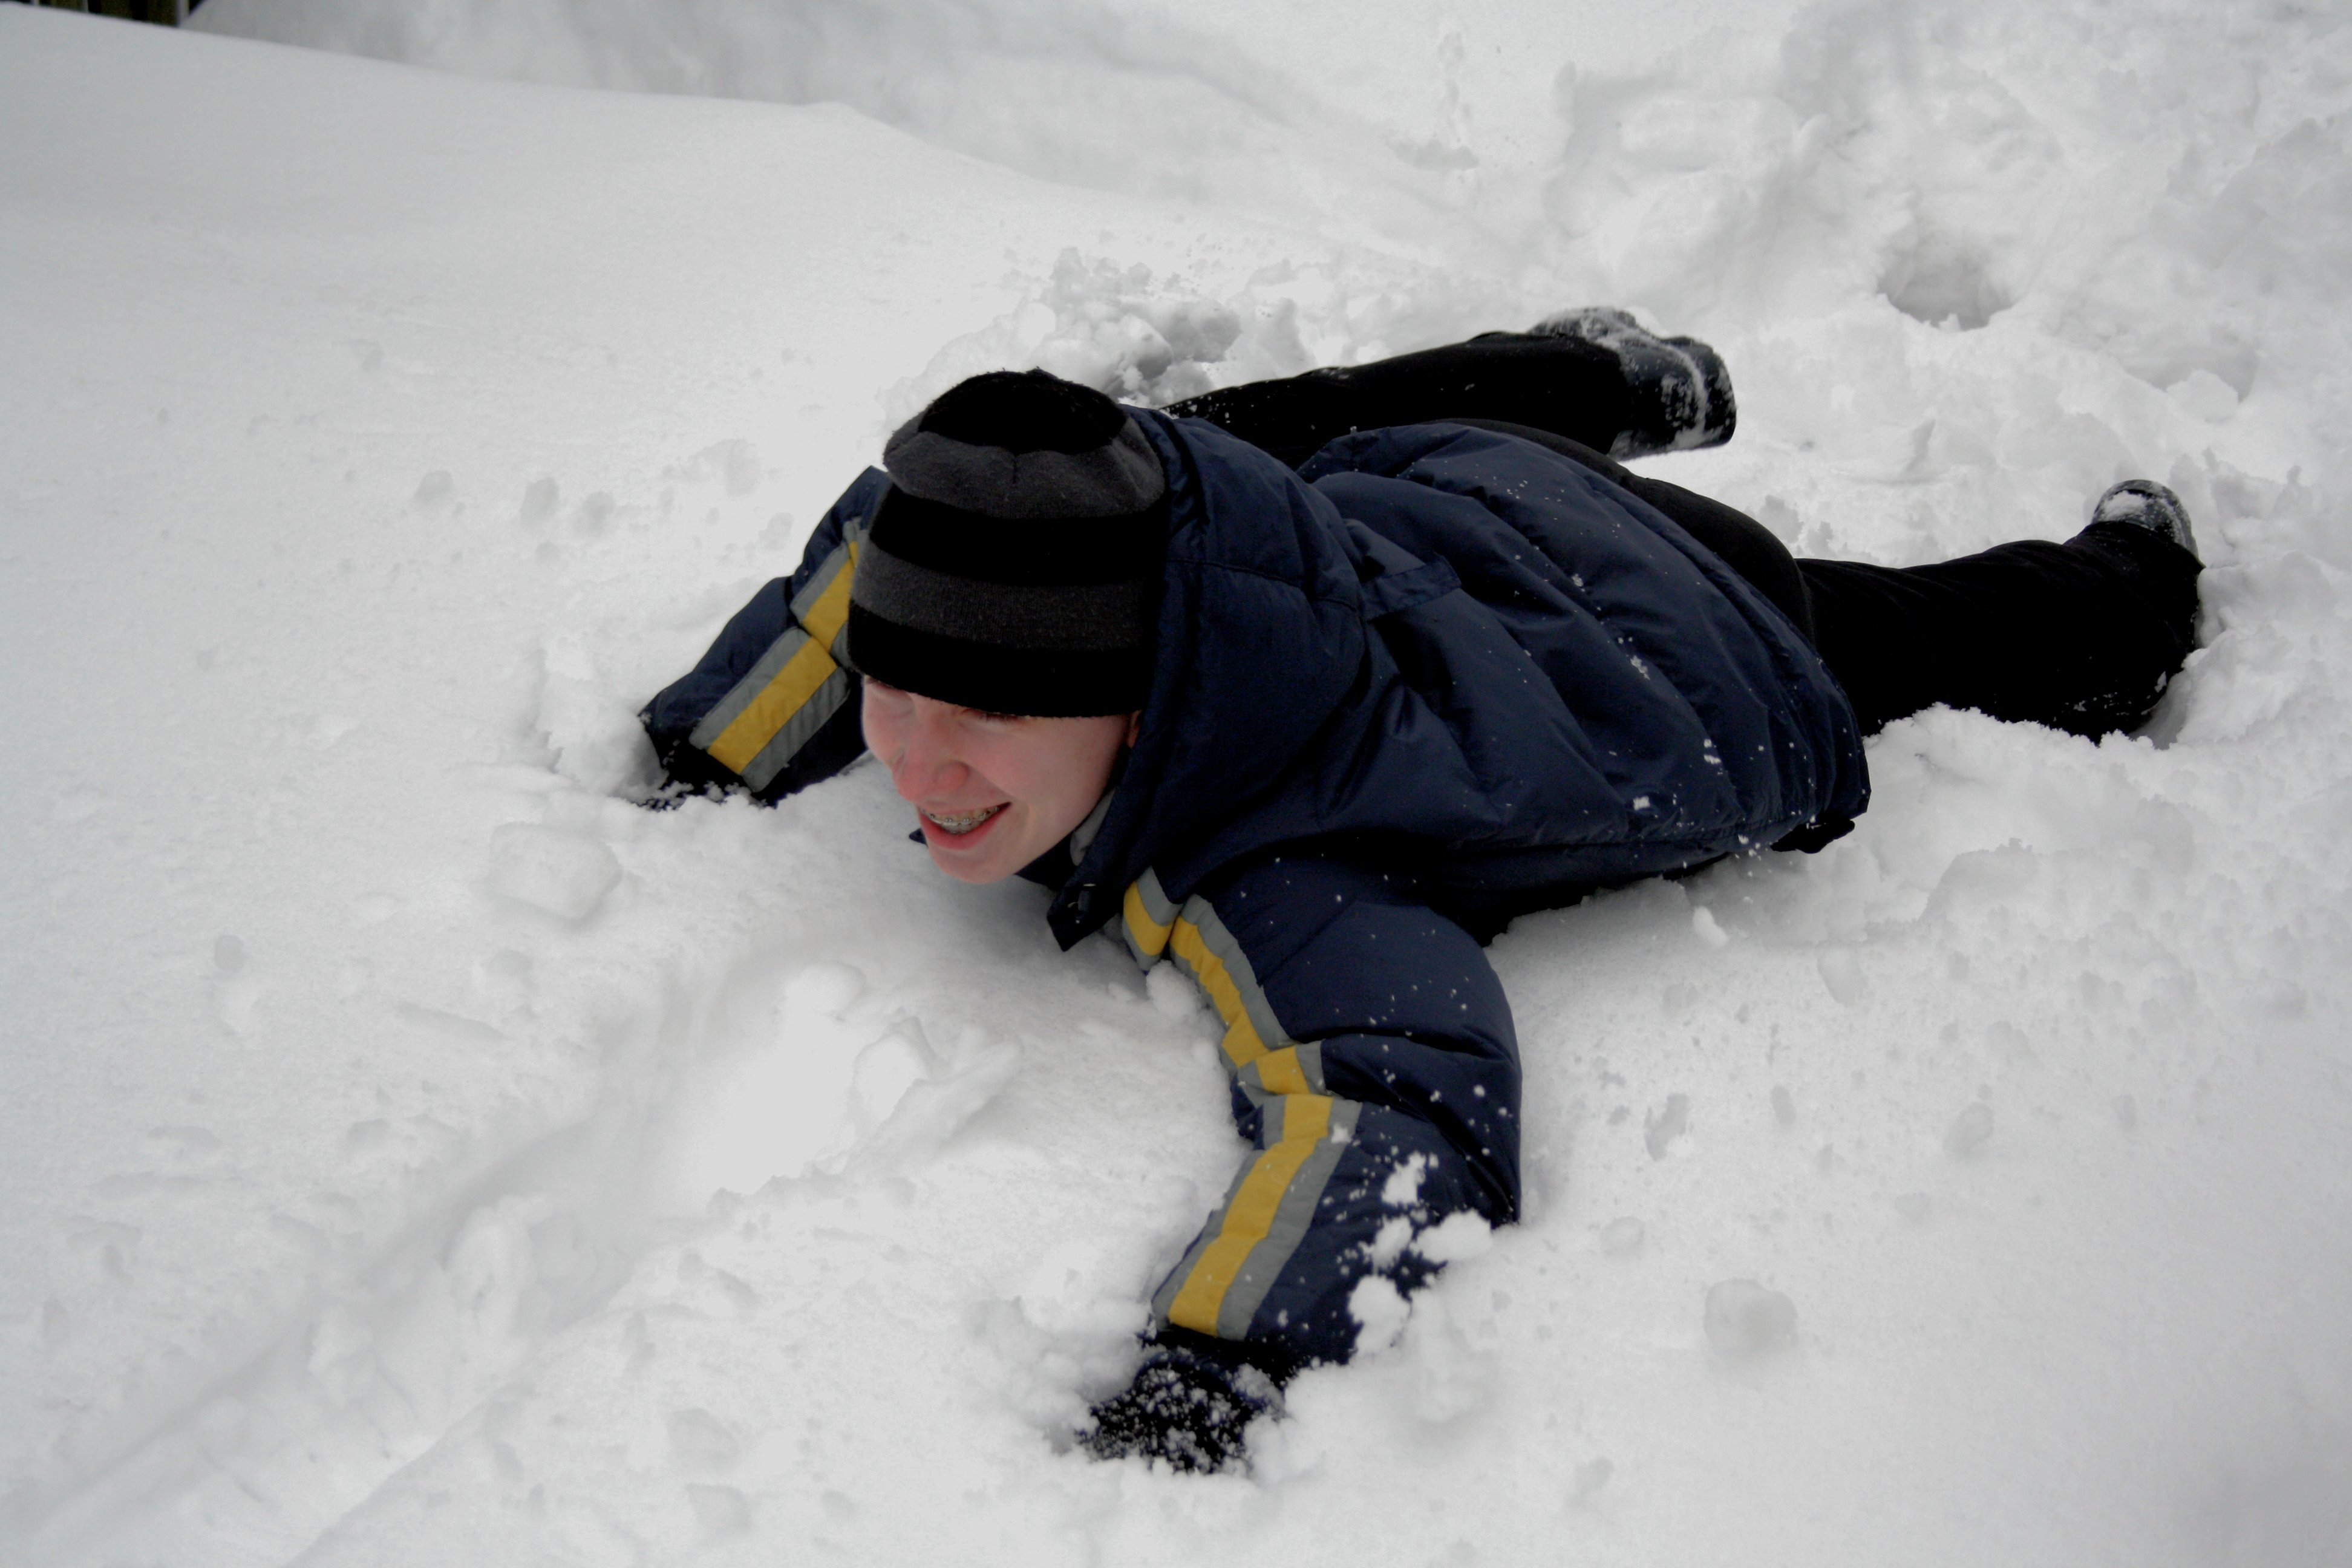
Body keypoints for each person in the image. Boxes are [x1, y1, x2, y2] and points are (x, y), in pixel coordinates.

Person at [639, 311, 2203, 1472]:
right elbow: (874, 563)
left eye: (984, 718)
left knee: (1930, 639)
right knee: (1230, 429)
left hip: (1686, 612)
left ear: (1137, 700)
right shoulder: (1133, 536)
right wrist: (715, 753)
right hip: (1435, 489)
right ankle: (1591, 380)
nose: (917, 762)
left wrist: (1220, 1363)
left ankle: (2128, 583)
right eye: (896, 700)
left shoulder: (1271, 843)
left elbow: (1401, 1093)